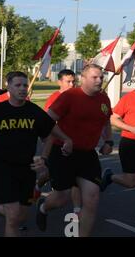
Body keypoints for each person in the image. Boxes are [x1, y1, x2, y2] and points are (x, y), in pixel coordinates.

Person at [0, 71, 72, 237]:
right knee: (14, 216)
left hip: (27, 169)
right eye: (18, 85)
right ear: (8, 87)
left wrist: (46, 155)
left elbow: (50, 134)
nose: (22, 88)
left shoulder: (34, 112)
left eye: (25, 85)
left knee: (21, 215)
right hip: (2, 167)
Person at [36, 64, 113, 237]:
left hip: (87, 155)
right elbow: (47, 121)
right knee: (62, 198)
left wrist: (108, 140)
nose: (99, 80)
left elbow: (106, 121)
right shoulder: (70, 96)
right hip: (63, 153)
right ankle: (43, 206)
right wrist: (65, 138)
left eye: (101, 77)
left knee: (92, 199)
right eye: (95, 77)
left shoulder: (103, 99)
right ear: (83, 79)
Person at [100, 65, 135, 228]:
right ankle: (110, 177)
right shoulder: (129, 98)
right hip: (131, 144)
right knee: (131, 182)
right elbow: (113, 118)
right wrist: (132, 128)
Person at [34, 69, 82, 215]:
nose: (72, 84)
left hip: (74, 144)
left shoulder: (78, 97)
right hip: (56, 145)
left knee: (75, 177)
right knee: (51, 174)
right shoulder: (54, 98)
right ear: (59, 82)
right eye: (68, 81)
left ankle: (77, 210)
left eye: (74, 81)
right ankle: (36, 188)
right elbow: (47, 123)